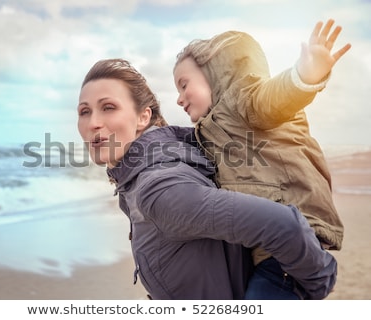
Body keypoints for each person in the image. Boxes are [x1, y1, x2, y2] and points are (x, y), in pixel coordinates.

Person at [77, 58, 337, 299]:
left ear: (143, 117)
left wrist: (316, 284)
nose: (94, 123)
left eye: (108, 107)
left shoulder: (158, 189)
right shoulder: (140, 177)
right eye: (84, 111)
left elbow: (284, 225)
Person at [173, 19, 350, 299]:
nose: (179, 99)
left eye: (184, 85)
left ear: (213, 74)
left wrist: (305, 75)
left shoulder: (242, 99)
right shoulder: (208, 131)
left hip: (289, 238)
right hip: (264, 246)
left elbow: (274, 98)